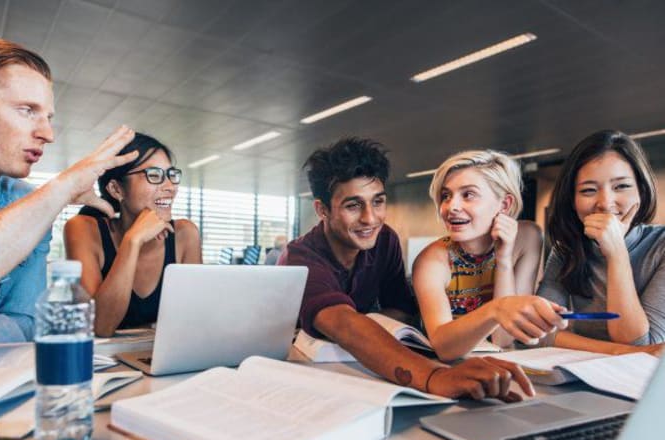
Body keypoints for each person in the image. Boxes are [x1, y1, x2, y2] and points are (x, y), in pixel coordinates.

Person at [0, 38, 138, 367]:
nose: (47, 133)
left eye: (47, 116)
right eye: (27, 110)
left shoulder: (26, 200)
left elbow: (25, 318)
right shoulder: (39, 203)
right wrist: (62, 188)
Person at [280, 137, 536, 401]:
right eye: (353, 205)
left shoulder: (384, 239)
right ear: (322, 210)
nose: (370, 218)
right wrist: (434, 376)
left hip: (359, 364)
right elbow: (342, 322)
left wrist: (368, 328)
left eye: (378, 201)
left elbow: (400, 310)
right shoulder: (300, 256)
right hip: (301, 371)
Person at [412, 150, 567, 361]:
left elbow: (505, 338)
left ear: (504, 205)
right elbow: (444, 348)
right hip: (449, 366)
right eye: (446, 196)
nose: (451, 207)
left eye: (468, 194)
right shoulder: (432, 260)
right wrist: (496, 310)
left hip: (502, 361)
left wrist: (503, 260)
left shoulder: (528, 237)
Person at [538, 130, 665, 353]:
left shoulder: (661, 246)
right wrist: (616, 351)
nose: (605, 203)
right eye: (588, 190)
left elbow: (641, 344)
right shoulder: (566, 248)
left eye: (621, 186)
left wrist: (616, 252)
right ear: (573, 201)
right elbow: (539, 332)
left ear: (642, 191)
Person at [64, 133, 202, 337]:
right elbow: (100, 327)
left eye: (171, 175)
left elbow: (195, 320)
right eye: (154, 175)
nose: (170, 187)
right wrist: (133, 241)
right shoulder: (83, 229)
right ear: (116, 189)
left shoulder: (185, 234)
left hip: (162, 357)